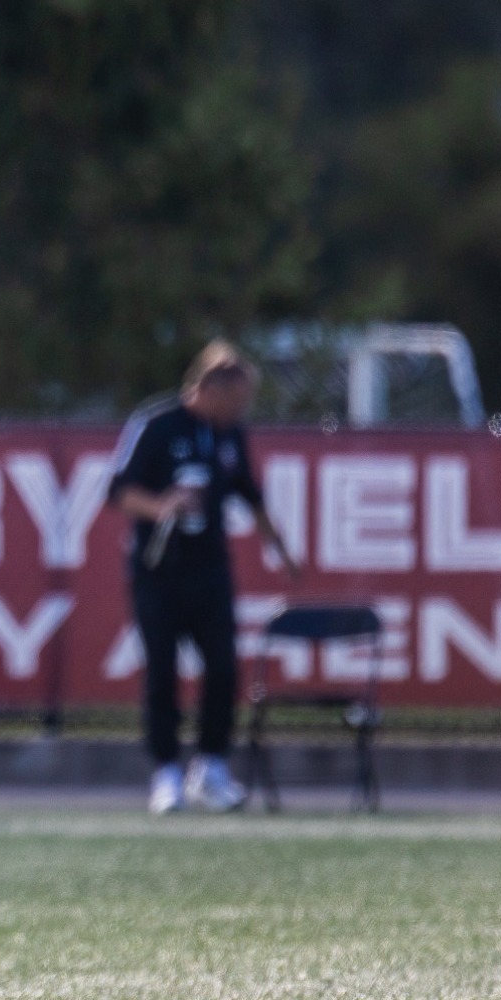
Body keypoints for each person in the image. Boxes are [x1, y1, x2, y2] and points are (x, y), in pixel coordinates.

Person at [108, 340, 298, 814]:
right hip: (158, 571)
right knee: (162, 672)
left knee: (223, 667)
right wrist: (162, 506)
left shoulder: (229, 435)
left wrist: (284, 552)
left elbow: (249, 495)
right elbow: (119, 491)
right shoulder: (156, 423)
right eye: (236, 398)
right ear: (209, 387)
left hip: (210, 571)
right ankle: (166, 772)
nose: (241, 409)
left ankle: (211, 766)